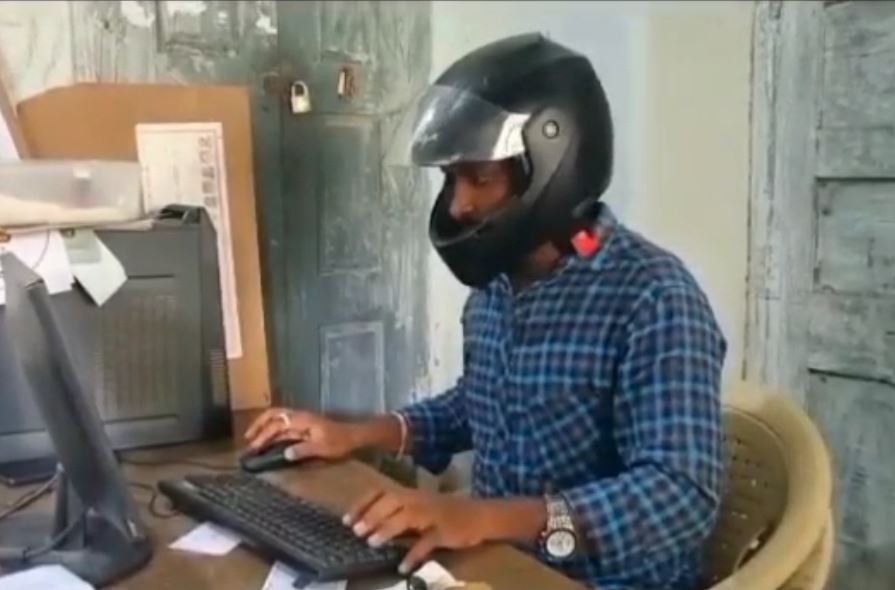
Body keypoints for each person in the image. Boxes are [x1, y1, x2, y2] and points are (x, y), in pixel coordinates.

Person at [245, 33, 727, 590]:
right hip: (497, 567)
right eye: (453, 178)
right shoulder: (497, 287)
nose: (458, 204)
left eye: (480, 178)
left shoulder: (653, 296)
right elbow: (479, 406)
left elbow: (680, 496)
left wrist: (481, 517)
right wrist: (352, 436)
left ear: (553, 168)